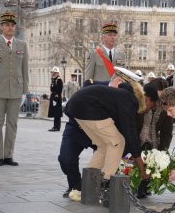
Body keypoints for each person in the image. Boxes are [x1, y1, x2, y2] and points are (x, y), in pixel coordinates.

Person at [58, 69, 135, 201]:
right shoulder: (93, 85)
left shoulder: (121, 95)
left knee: (106, 150)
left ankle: (85, 187)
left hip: (99, 131)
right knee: (66, 159)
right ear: (119, 81)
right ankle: (75, 185)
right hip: (78, 129)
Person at [67, 67, 148, 187]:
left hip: (75, 108)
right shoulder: (129, 99)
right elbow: (130, 132)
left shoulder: (118, 94)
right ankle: (104, 183)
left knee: (104, 145)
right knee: (118, 142)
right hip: (89, 109)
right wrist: (141, 167)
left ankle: (87, 185)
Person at [0, 13, 28, 166]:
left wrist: (24, 91)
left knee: (12, 123)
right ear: (1, 27)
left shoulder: (22, 45)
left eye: (12, 25)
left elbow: (24, 70)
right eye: (7, 25)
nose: (10, 28)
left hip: (16, 90)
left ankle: (8, 155)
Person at [136, 80, 173, 198]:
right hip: (137, 138)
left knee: (152, 161)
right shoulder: (141, 101)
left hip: (153, 141)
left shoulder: (165, 107)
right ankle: (133, 184)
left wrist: (163, 150)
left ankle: (145, 187)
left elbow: (167, 132)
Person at [48, 66, 63, 132]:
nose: (52, 73)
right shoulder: (53, 79)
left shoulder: (59, 80)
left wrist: (56, 94)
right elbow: (51, 89)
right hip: (54, 97)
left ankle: (57, 127)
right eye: (52, 72)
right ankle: (55, 126)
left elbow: (59, 90)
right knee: (55, 113)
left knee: (57, 113)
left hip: (57, 99)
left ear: (56, 73)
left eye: (53, 72)